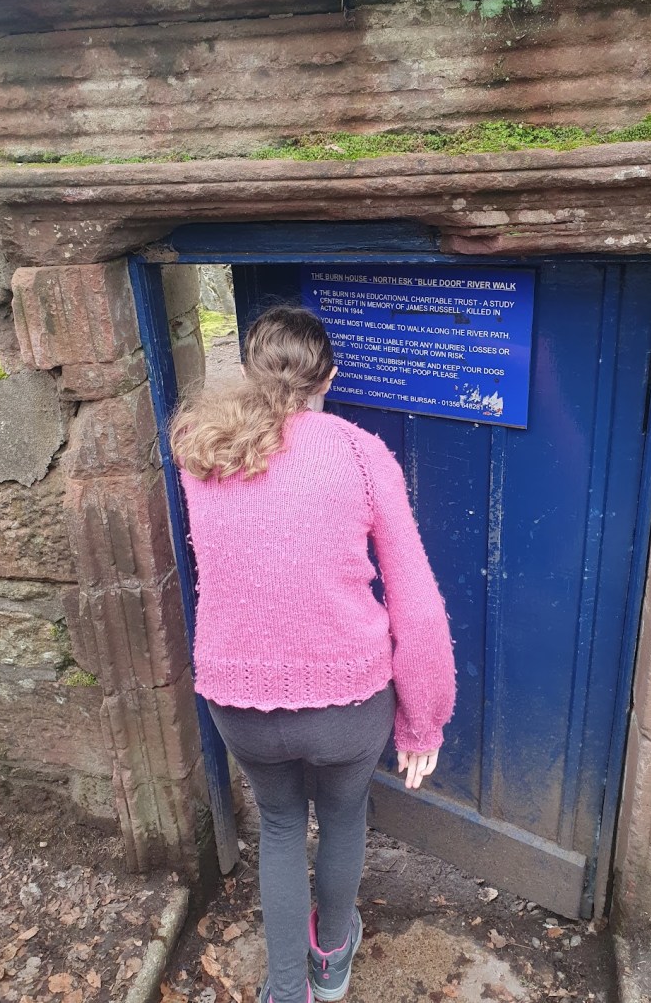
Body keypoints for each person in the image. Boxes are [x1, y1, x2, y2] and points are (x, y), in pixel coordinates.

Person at [171, 306, 456, 1003]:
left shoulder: (205, 448)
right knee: (343, 817)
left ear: (249, 368)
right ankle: (330, 958)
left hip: (238, 699)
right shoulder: (359, 452)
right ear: (329, 376)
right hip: (347, 705)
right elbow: (417, 600)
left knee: (277, 825)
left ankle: (284, 989)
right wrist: (424, 721)